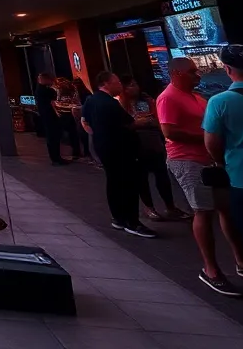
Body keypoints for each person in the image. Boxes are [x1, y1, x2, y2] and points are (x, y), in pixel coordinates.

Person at [159, 57, 243, 296]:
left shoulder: (198, 96)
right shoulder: (168, 97)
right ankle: (211, 270)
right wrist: (210, 137)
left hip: (210, 161)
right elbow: (169, 131)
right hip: (188, 161)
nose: (198, 75)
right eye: (192, 71)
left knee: (225, 209)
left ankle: (242, 261)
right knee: (203, 210)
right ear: (176, 73)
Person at [82, 71, 156, 237]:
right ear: (106, 83)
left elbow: (84, 121)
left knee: (113, 182)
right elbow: (130, 124)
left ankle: (118, 218)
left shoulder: (91, 100)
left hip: (104, 148)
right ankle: (132, 222)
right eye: (116, 82)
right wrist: (146, 122)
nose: (120, 86)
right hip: (121, 149)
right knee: (128, 184)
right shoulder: (110, 103)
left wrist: (97, 135)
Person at [119, 76, 187, 222]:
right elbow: (123, 125)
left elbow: (157, 119)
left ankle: (170, 206)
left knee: (161, 175)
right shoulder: (120, 104)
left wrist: (147, 122)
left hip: (154, 142)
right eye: (130, 85)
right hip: (135, 145)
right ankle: (149, 207)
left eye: (135, 84)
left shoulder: (147, 100)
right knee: (141, 177)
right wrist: (139, 123)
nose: (134, 87)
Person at [204, 45, 243, 248]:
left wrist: (220, 161)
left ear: (227, 69)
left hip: (241, 178)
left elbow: (211, 142)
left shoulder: (219, 101)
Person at [34, 74, 70, 165]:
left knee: (52, 138)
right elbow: (54, 97)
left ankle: (56, 158)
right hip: (50, 117)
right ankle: (56, 159)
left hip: (46, 116)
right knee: (53, 137)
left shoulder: (40, 89)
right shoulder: (46, 90)